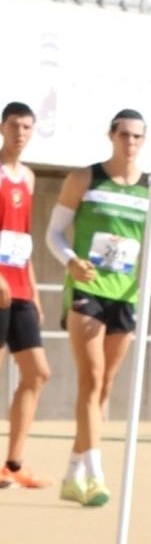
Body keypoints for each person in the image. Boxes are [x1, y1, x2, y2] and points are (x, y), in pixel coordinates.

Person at [47, 109, 151, 509]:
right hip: (87, 287)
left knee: (107, 385)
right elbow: (53, 233)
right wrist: (70, 261)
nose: (130, 143)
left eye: (137, 137)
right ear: (111, 136)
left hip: (126, 294)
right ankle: (96, 475)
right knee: (92, 377)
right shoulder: (84, 179)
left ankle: (72, 473)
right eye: (124, 135)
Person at [0, 100, 50, 492]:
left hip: (20, 288)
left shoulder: (29, 178)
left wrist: (32, 290)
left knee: (37, 372)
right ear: (2, 127)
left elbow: (23, 236)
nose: (21, 133)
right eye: (15, 125)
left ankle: (13, 464)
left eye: (28, 127)